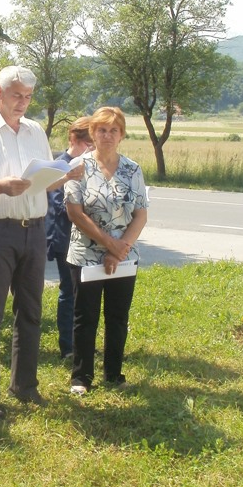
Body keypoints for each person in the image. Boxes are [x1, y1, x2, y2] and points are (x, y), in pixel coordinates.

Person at [0, 65, 83, 417]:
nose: (22, 103)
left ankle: (24, 385)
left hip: (35, 229)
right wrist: (0, 185)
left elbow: (42, 184)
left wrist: (66, 174)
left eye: (28, 97)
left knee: (31, 312)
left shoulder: (35, 131)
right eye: (16, 95)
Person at [65, 107, 148, 395]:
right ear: (92, 133)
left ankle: (113, 374)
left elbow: (141, 214)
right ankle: (81, 378)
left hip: (123, 257)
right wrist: (108, 244)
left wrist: (119, 249)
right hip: (85, 254)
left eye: (114, 130)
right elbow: (75, 212)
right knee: (84, 317)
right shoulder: (78, 166)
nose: (108, 135)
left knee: (117, 317)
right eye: (102, 130)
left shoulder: (133, 169)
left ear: (122, 134)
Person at [45, 117, 92, 359]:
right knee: (69, 292)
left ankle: (83, 343)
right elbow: (59, 207)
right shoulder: (60, 165)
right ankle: (68, 347)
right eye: (88, 143)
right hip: (65, 239)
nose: (92, 148)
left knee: (86, 293)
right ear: (73, 139)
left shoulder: (91, 164)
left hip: (88, 238)